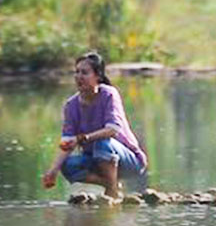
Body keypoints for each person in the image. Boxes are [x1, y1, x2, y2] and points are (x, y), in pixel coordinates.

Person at [42, 52, 149, 200]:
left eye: (84, 73)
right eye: (77, 72)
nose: (79, 77)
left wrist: (84, 138)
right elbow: (67, 143)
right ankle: (111, 185)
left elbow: (112, 130)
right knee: (66, 165)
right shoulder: (71, 105)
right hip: (96, 159)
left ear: (98, 76)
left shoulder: (109, 94)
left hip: (128, 161)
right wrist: (52, 171)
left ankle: (112, 194)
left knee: (101, 142)